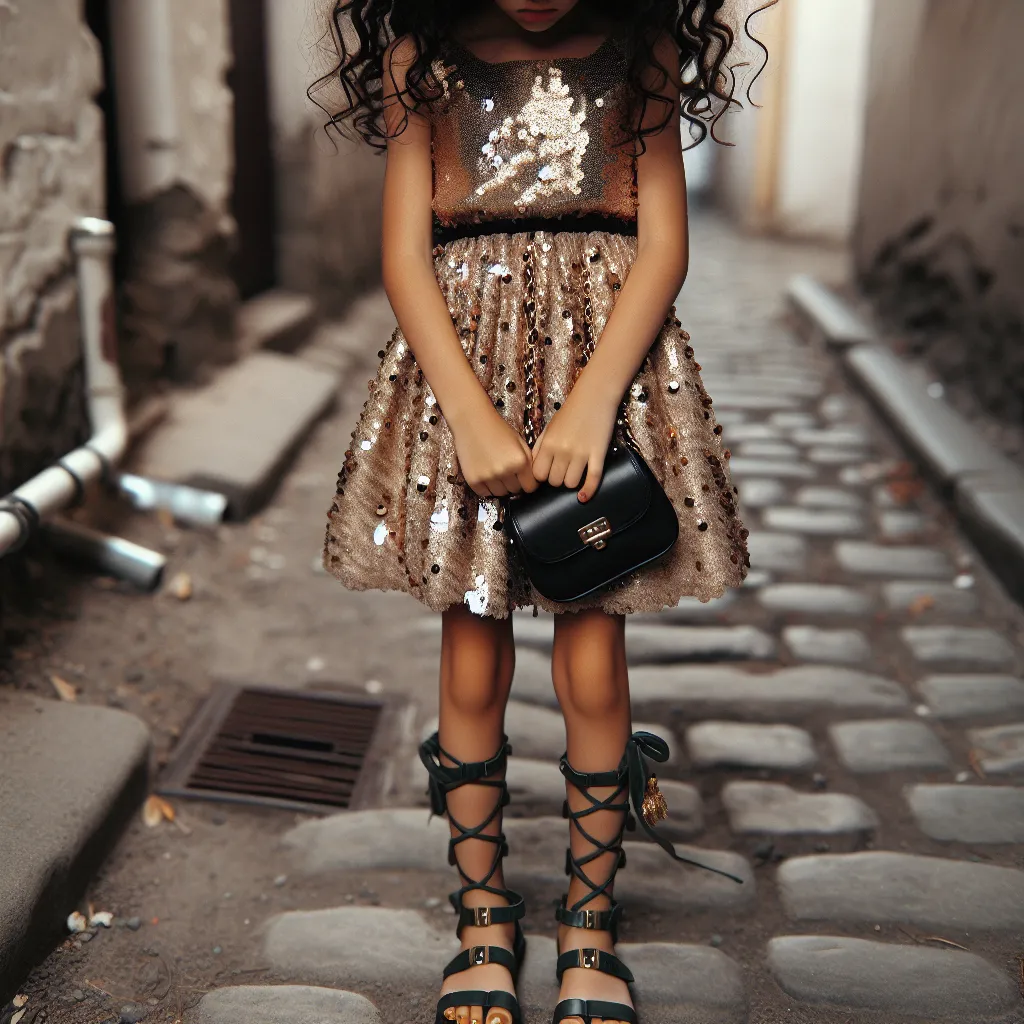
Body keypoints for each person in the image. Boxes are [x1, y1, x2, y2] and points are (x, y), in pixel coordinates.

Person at [313, 2, 768, 1022]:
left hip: (599, 361)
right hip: (461, 364)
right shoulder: (418, 60)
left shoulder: (635, 48)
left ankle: (589, 923)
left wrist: (596, 402)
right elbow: (402, 254)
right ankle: (482, 913)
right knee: (469, 641)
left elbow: (661, 247)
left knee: (594, 642)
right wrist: (468, 412)